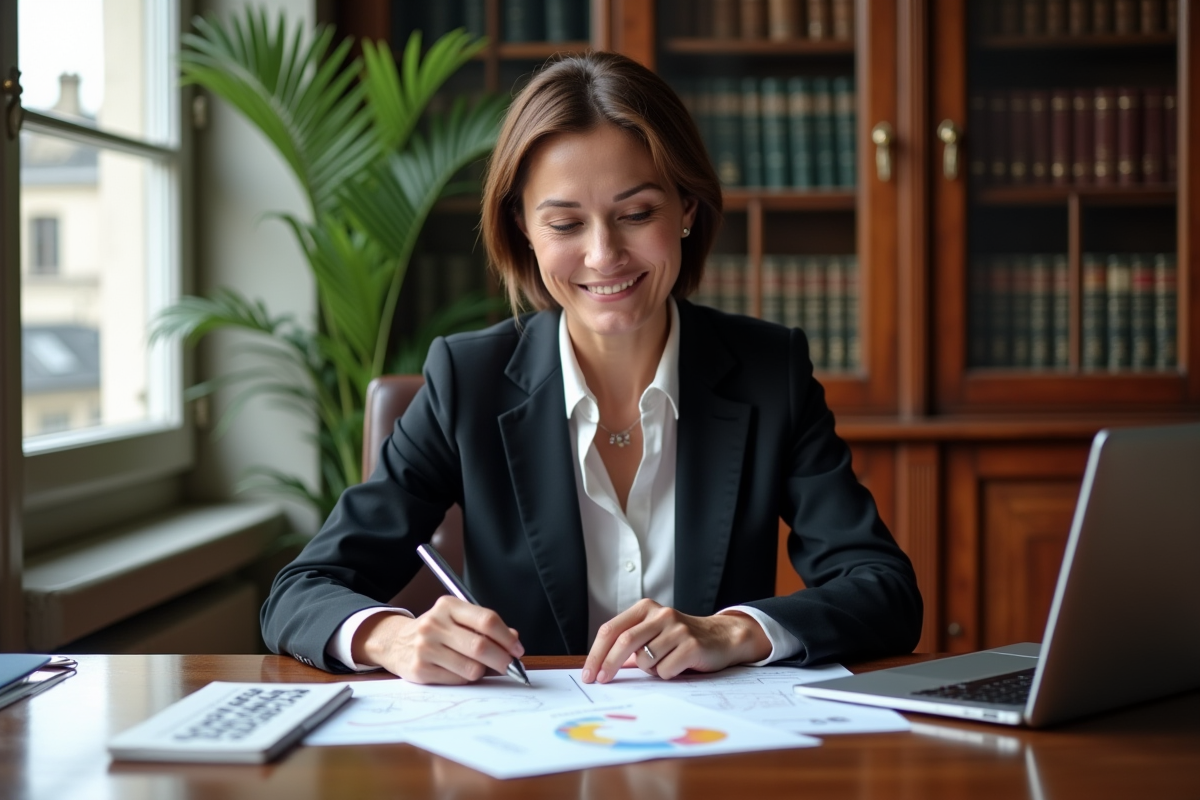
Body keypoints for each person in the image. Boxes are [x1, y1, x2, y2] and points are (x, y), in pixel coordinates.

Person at [260, 52, 922, 685]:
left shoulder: (768, 372)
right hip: (525, 745)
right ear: (523, 227)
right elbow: (301, 590)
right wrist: (390, 636)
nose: (604, 255)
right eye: (565, 224)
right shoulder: (468, 382)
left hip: (713, 742)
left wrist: (735, 630)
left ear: (687, 209)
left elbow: (883, 590)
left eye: (637, 214)